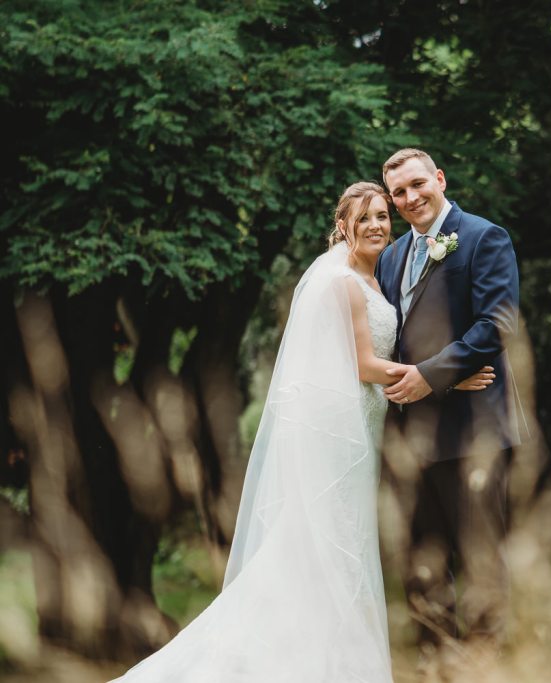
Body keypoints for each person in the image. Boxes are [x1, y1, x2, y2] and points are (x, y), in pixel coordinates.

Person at [110, 181, 493, 682]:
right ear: (343, 225)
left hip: (364, 432)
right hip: (340, 441)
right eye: (364, 218)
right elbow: (363, 364)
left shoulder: (375, 275)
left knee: (341, 552)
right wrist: (445, 376)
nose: (376, 225)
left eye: (382, 216)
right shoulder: (340, 281)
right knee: (325, 550)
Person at [375, 149, 524, 671]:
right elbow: (391, 338)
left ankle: (485, 670)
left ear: (439, 179)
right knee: (422, 565)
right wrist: (430, 375)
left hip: (473, 433)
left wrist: (431, 374)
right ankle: (435, 667)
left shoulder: (483, 237)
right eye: (399, 192)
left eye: (418, 184)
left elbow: (498, 323)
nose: (411, 197)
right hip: (409, 440)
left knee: (481, 561)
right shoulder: (391, 256)